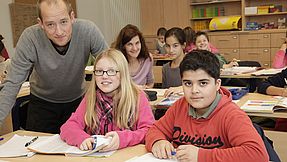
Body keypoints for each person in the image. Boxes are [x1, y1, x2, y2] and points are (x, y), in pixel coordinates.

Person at [0, 0, 108, 133]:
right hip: (41, 106)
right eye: (50, 24)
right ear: (41, 24)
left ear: (72, 17)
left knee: (79, 150)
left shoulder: (88, 31)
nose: (59, 31)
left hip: (78, 105)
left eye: (63, 22)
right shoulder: (30, 38)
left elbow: (112, 67)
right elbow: (12, 84)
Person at [145, 50, 268, 162]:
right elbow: (155, 130)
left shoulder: (231, 115)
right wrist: (158, 141)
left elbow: (258, 154)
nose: (194, 90)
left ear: (217, 84)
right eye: (188, 83)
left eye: (203, 83)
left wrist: (201, 156)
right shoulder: (180, 106)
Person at [60, 49, 155, 151]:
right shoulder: (91, 97)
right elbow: (68, 126)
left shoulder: (137, 97)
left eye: (111, 71)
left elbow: (149, 130)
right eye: (99, 71)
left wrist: (122, 139)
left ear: (122, 73)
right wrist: (82, 138)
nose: (104, 76)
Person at [115, 24, 154, 89]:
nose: (135, 48)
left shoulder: (147, 58)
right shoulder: (117, 62)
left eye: (137, 43)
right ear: (123, 46)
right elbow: (115, 87)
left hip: (142, 96)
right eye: (130, 44)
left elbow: (150, 83)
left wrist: (146, 88)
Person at [162, 27, 185, 97]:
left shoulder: (192, 65)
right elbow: (165, 91)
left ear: (183, 45)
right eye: (168, 46)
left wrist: (180, 88)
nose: (171, 50)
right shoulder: (165, 68)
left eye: (175, 46)